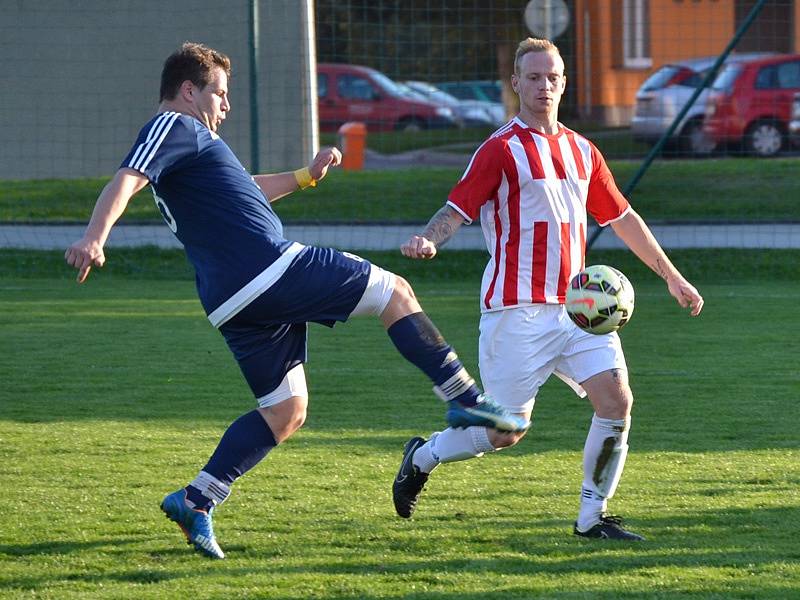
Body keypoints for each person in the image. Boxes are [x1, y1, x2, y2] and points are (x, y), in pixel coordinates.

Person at [65, 42, 528, 559]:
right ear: (188, 90)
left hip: (234, 300)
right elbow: (126, 177)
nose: (226, 105)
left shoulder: (192, 145)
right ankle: (465, 400)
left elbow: (246, 190)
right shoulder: (174, 126)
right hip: (265, 270)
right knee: (395, 291)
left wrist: (306, 177)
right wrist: (94, 237)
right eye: (219, 93)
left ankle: (196, 499)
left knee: (286, 410)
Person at [394, 37, 704, 541]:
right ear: (516, 83)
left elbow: (622, 217)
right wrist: (429, 240)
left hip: (580, 309)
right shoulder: (500, 149)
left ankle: (592, 518)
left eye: (552, 77)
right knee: (505, 432)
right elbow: (457, 208)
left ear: (564, 81)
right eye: (533, 77)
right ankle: (423, 455)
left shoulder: (583, 150)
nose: (544, 86)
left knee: (617, 401)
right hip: (516, 312)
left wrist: (671, 276)